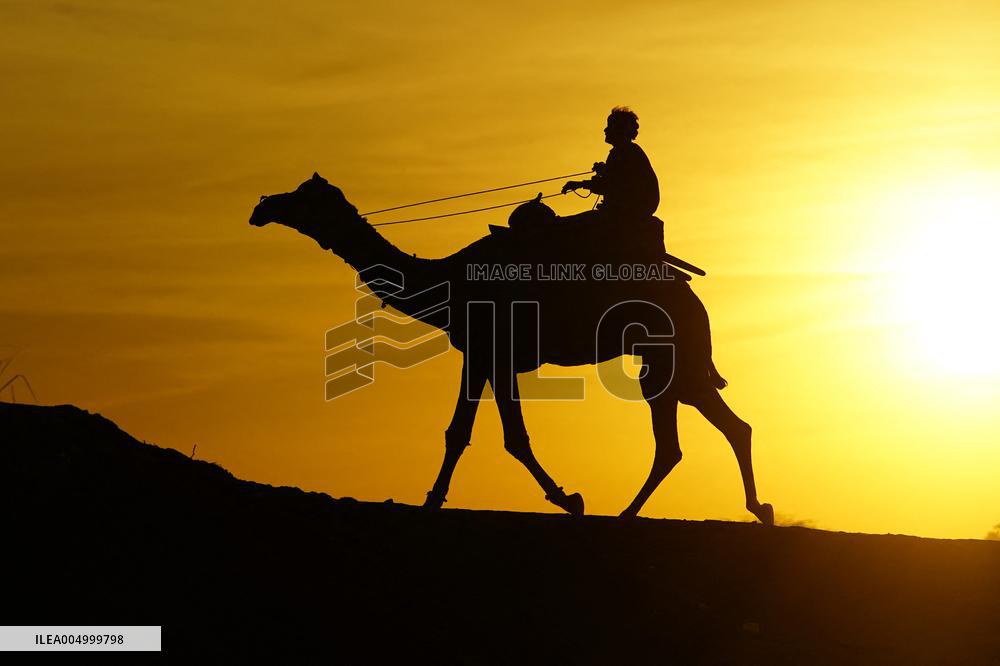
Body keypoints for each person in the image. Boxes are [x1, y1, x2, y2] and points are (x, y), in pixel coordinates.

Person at [562, 106, 659, 220]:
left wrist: (580, 184)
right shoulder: (626, 151)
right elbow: (617, 178)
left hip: (630, 210)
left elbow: (611, 184)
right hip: (631, 209)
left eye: (609, 126)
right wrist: (605, 170)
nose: (605, 130)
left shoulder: (625, 152)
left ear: (619, 129)